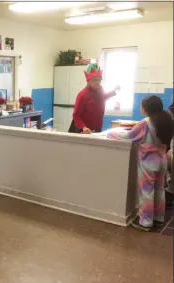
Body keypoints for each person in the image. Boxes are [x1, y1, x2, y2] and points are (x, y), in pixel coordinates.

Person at [107, 95, 173, 231]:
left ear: (146, 109)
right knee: (160, 189)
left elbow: (129, 136)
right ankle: (158, 219)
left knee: (147, 192)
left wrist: (111, 134)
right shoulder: (167, 120)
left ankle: (146, 222)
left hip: (149, 162)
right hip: (162, 160)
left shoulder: (145, 123)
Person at [69, 63, 120, 134]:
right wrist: (83, 127)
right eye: (94, 80)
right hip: (85, 131)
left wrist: (113, 91)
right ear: (88, 80)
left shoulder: (100, 89)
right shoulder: (82, 95)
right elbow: (76, 115)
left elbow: (103, 97)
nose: (97, 82)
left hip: (97, 128)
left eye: (99, 80)